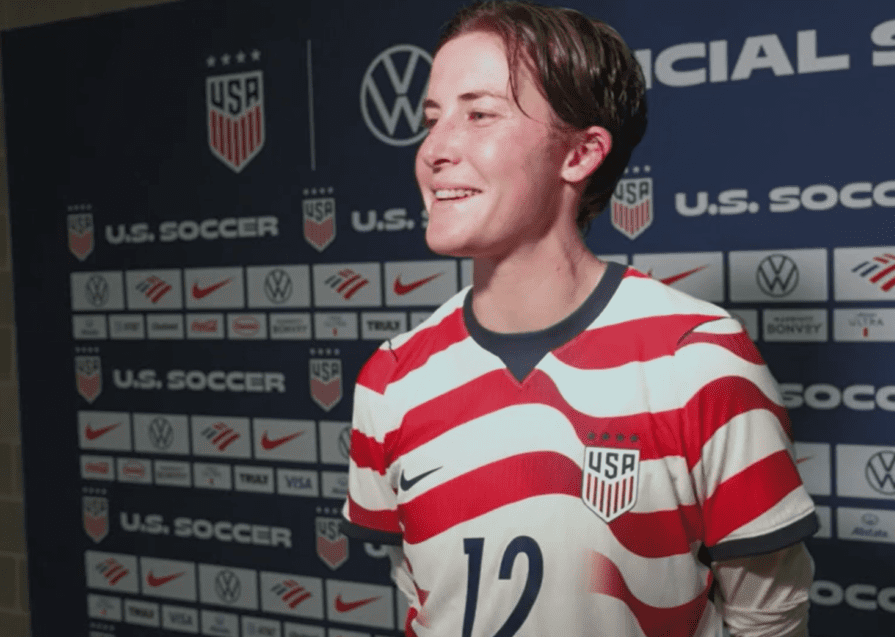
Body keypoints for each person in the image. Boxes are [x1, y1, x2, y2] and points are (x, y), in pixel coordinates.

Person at [340, 2, 819, 635]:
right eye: (432, 119)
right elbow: (420, 595)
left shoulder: (698, 359)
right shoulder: (392, 377)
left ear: (581, 153)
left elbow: (770, 616)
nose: (435, 149)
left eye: (479, 114)